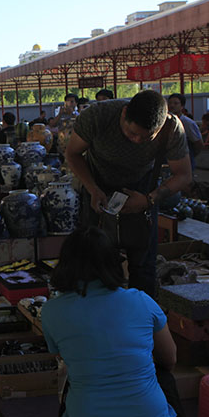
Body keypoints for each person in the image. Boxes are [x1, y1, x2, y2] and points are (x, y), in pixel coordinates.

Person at [41, 227, 179, 417]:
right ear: (113, 262)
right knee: (164, 376)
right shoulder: (142, 301)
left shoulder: (51, 311)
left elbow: (66, 357)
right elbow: (170, 359)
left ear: (64, 265)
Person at [64, 90, 192, 297]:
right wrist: (92, 188)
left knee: (143, 264)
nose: (137, 141)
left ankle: (142, 318)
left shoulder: (171, 128)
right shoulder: (99, 116)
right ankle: (104, 315)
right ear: (124, 114)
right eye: (131, 133)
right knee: (98, 259)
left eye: (146, 137)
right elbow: (72, 153)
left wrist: (149, 200)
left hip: (143, 187)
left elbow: (184, 175)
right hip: (98, 183)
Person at [167, 93, 204, 171]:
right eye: (170, 103)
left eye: (176, 103)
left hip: (185, 160)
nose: (172, 105)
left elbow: (198, 143)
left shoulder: (188, 123)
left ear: (182, 106)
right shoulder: (166, 122)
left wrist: (190, 155)